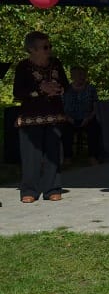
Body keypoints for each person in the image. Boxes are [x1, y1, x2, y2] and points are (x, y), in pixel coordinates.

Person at [13, 31, 69, 203]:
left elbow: (67, 86)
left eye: (49, 46)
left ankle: (52, 188)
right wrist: (39, 91)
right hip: (31, 117)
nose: (49, 50)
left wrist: (58, 89)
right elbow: (17, 93)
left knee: (53, 154)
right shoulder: (23, 67)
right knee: (32, 156)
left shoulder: (56, 64)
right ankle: (29, 190)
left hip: (54, 115)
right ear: (32, 49)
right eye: (45, 47)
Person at [62, 66, 101, 165]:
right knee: (65, 128)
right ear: (72, 76)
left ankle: (93, 156)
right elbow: (61, 108)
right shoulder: (66, 90)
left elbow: (95, 107)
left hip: (87, 118)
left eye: (83, 74)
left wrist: (88, 118)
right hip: (70, 118)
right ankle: (67, 157)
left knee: (94, 127)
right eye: (78, 74)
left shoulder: (91, 89)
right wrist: (68, 118)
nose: (81, 77)